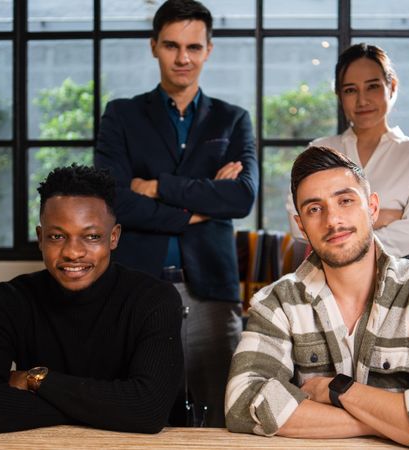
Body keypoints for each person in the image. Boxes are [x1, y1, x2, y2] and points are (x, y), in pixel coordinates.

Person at [226, 146, 409, 449]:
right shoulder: (277, 303)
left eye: (346, 201)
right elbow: (242, 403)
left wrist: (338, 391)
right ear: (301, 225)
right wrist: (385, 422)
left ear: (372, 208)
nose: (333, 220)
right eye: (314, 209)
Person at [94, 0, 258, 427]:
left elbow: (240, 198)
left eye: (193, 47)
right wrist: (194, 211)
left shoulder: (233, 120)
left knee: (225, 414)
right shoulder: (121, 115)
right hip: (137, 287)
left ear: (208, 50)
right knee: (138, 414)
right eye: (171, 45)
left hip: (211, 290)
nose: (183, 58)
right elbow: (115, 201)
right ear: (153, 47)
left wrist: (158, 186)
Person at [0, 165, 184, 434]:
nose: (73, 252)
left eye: (92, 236)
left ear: (114, 237)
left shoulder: (154, 299)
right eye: (57, 236)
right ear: (40, 238)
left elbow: (148, 411)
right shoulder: (9, 300)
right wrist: (109, 409)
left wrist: (37, 380)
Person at [285, 43, 409, 258]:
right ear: (339, 95)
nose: (362, 100)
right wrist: (383, 217)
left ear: (392, 86)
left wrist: (339, 239)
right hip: (326, 283)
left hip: (395, 283)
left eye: (373, 86)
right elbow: (298, 223)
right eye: (350, 90)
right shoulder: (320, 150)